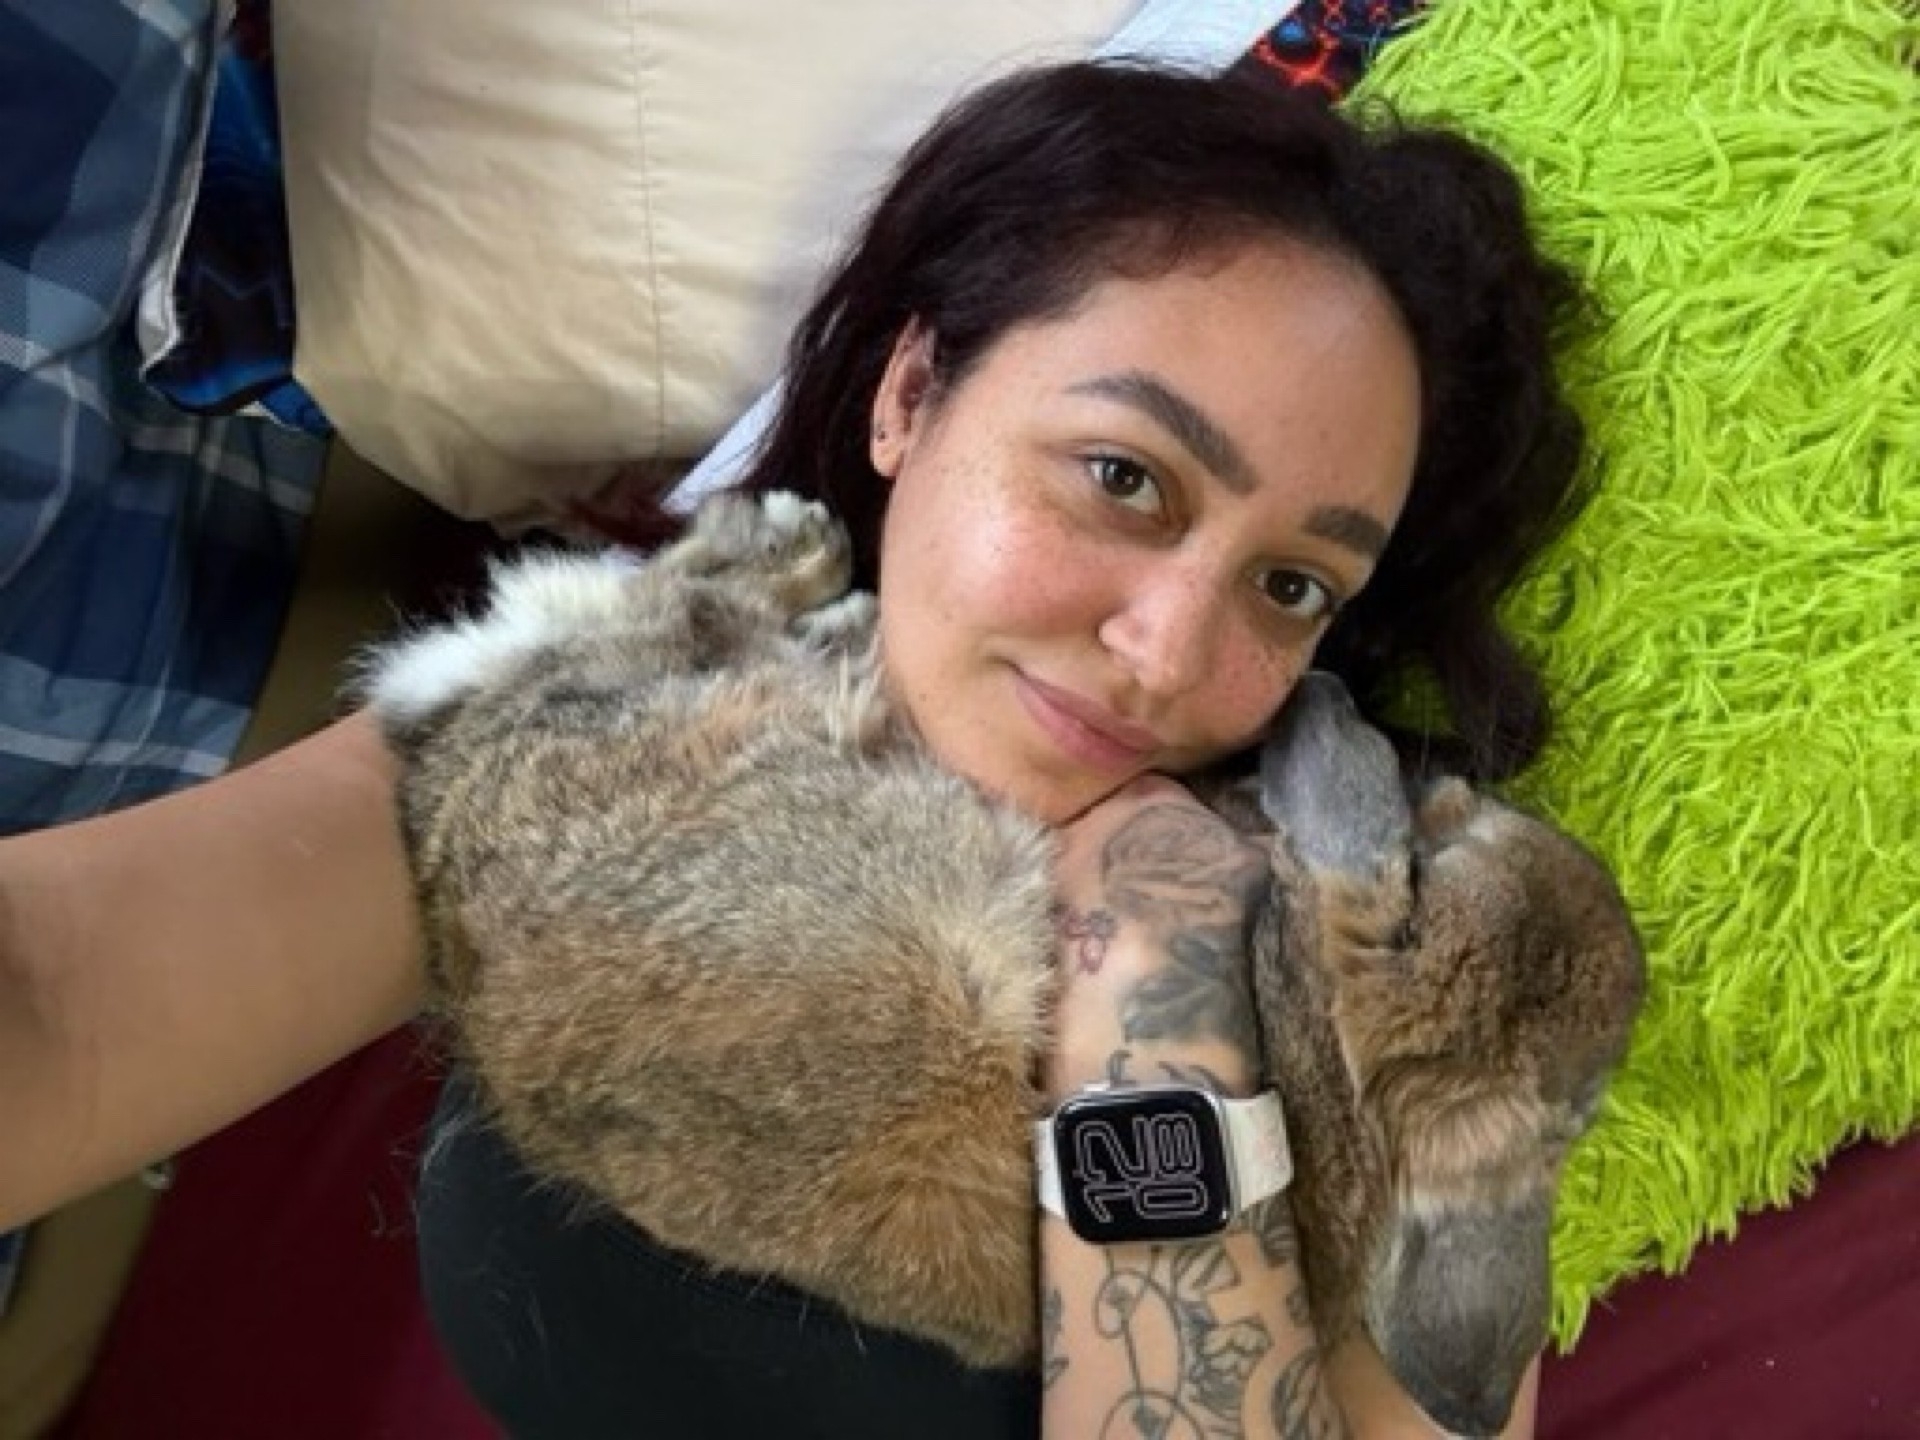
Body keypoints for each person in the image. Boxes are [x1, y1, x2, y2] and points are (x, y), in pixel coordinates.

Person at [0, 60, 1585, 1438]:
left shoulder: (1412, 963)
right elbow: (59, 1003)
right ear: (912, 395)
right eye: (1123, 477)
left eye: (1292, 585)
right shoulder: (611, 723)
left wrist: (1151, 1006)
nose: (1170, 653)